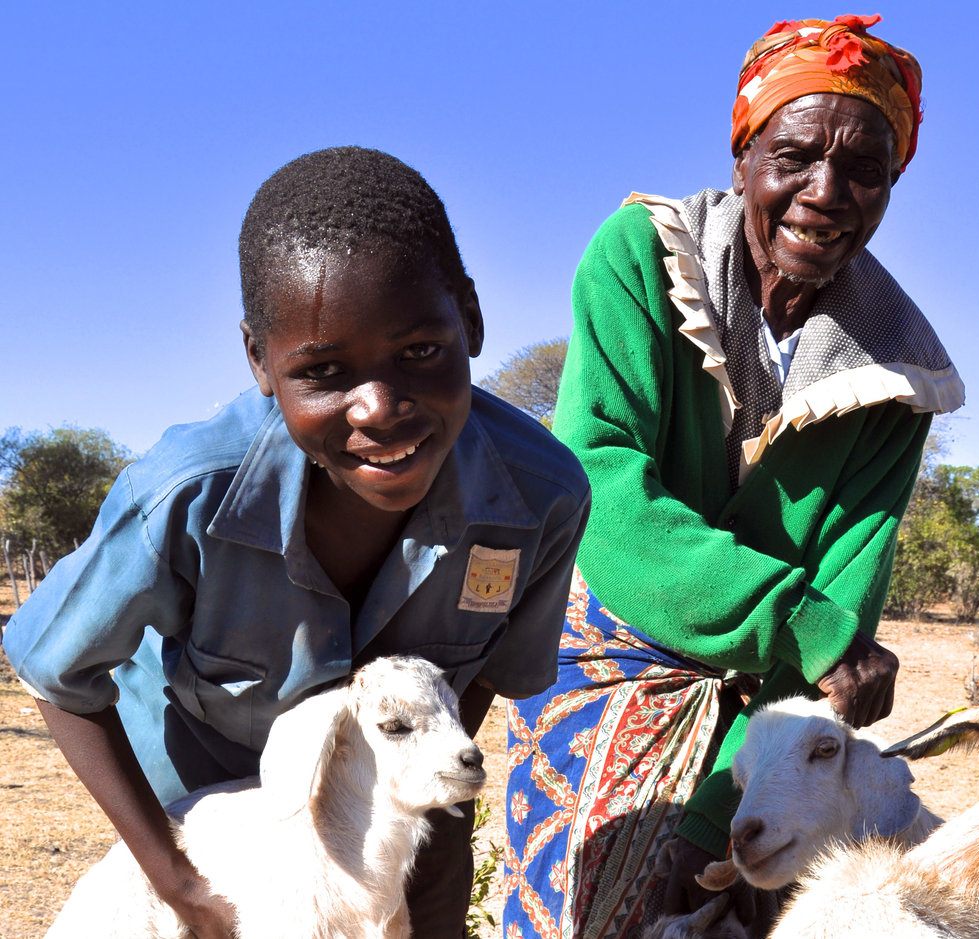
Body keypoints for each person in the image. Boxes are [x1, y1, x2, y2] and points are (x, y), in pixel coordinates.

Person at [3, 146, 591, 939]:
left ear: (471, 320)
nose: (380, 407)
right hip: (211, 821)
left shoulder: (539, 497)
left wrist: (414, 802)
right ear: (261, 362)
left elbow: (480, 680)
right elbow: (56, 672)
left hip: (392, 806)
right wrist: (177, 880)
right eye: (324, 372)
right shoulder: (187, 493)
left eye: (420, 351)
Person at [503, 15, 964, 938]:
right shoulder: (641, 260)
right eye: (794, 157)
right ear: (744, 149)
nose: (826, 194)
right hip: (610, 657)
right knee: (589, 904)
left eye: (865, 171)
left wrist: (719, 820)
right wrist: (805, 623)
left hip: (769, 718)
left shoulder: (898, 377)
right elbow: (606, 489)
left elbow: (838, 626)